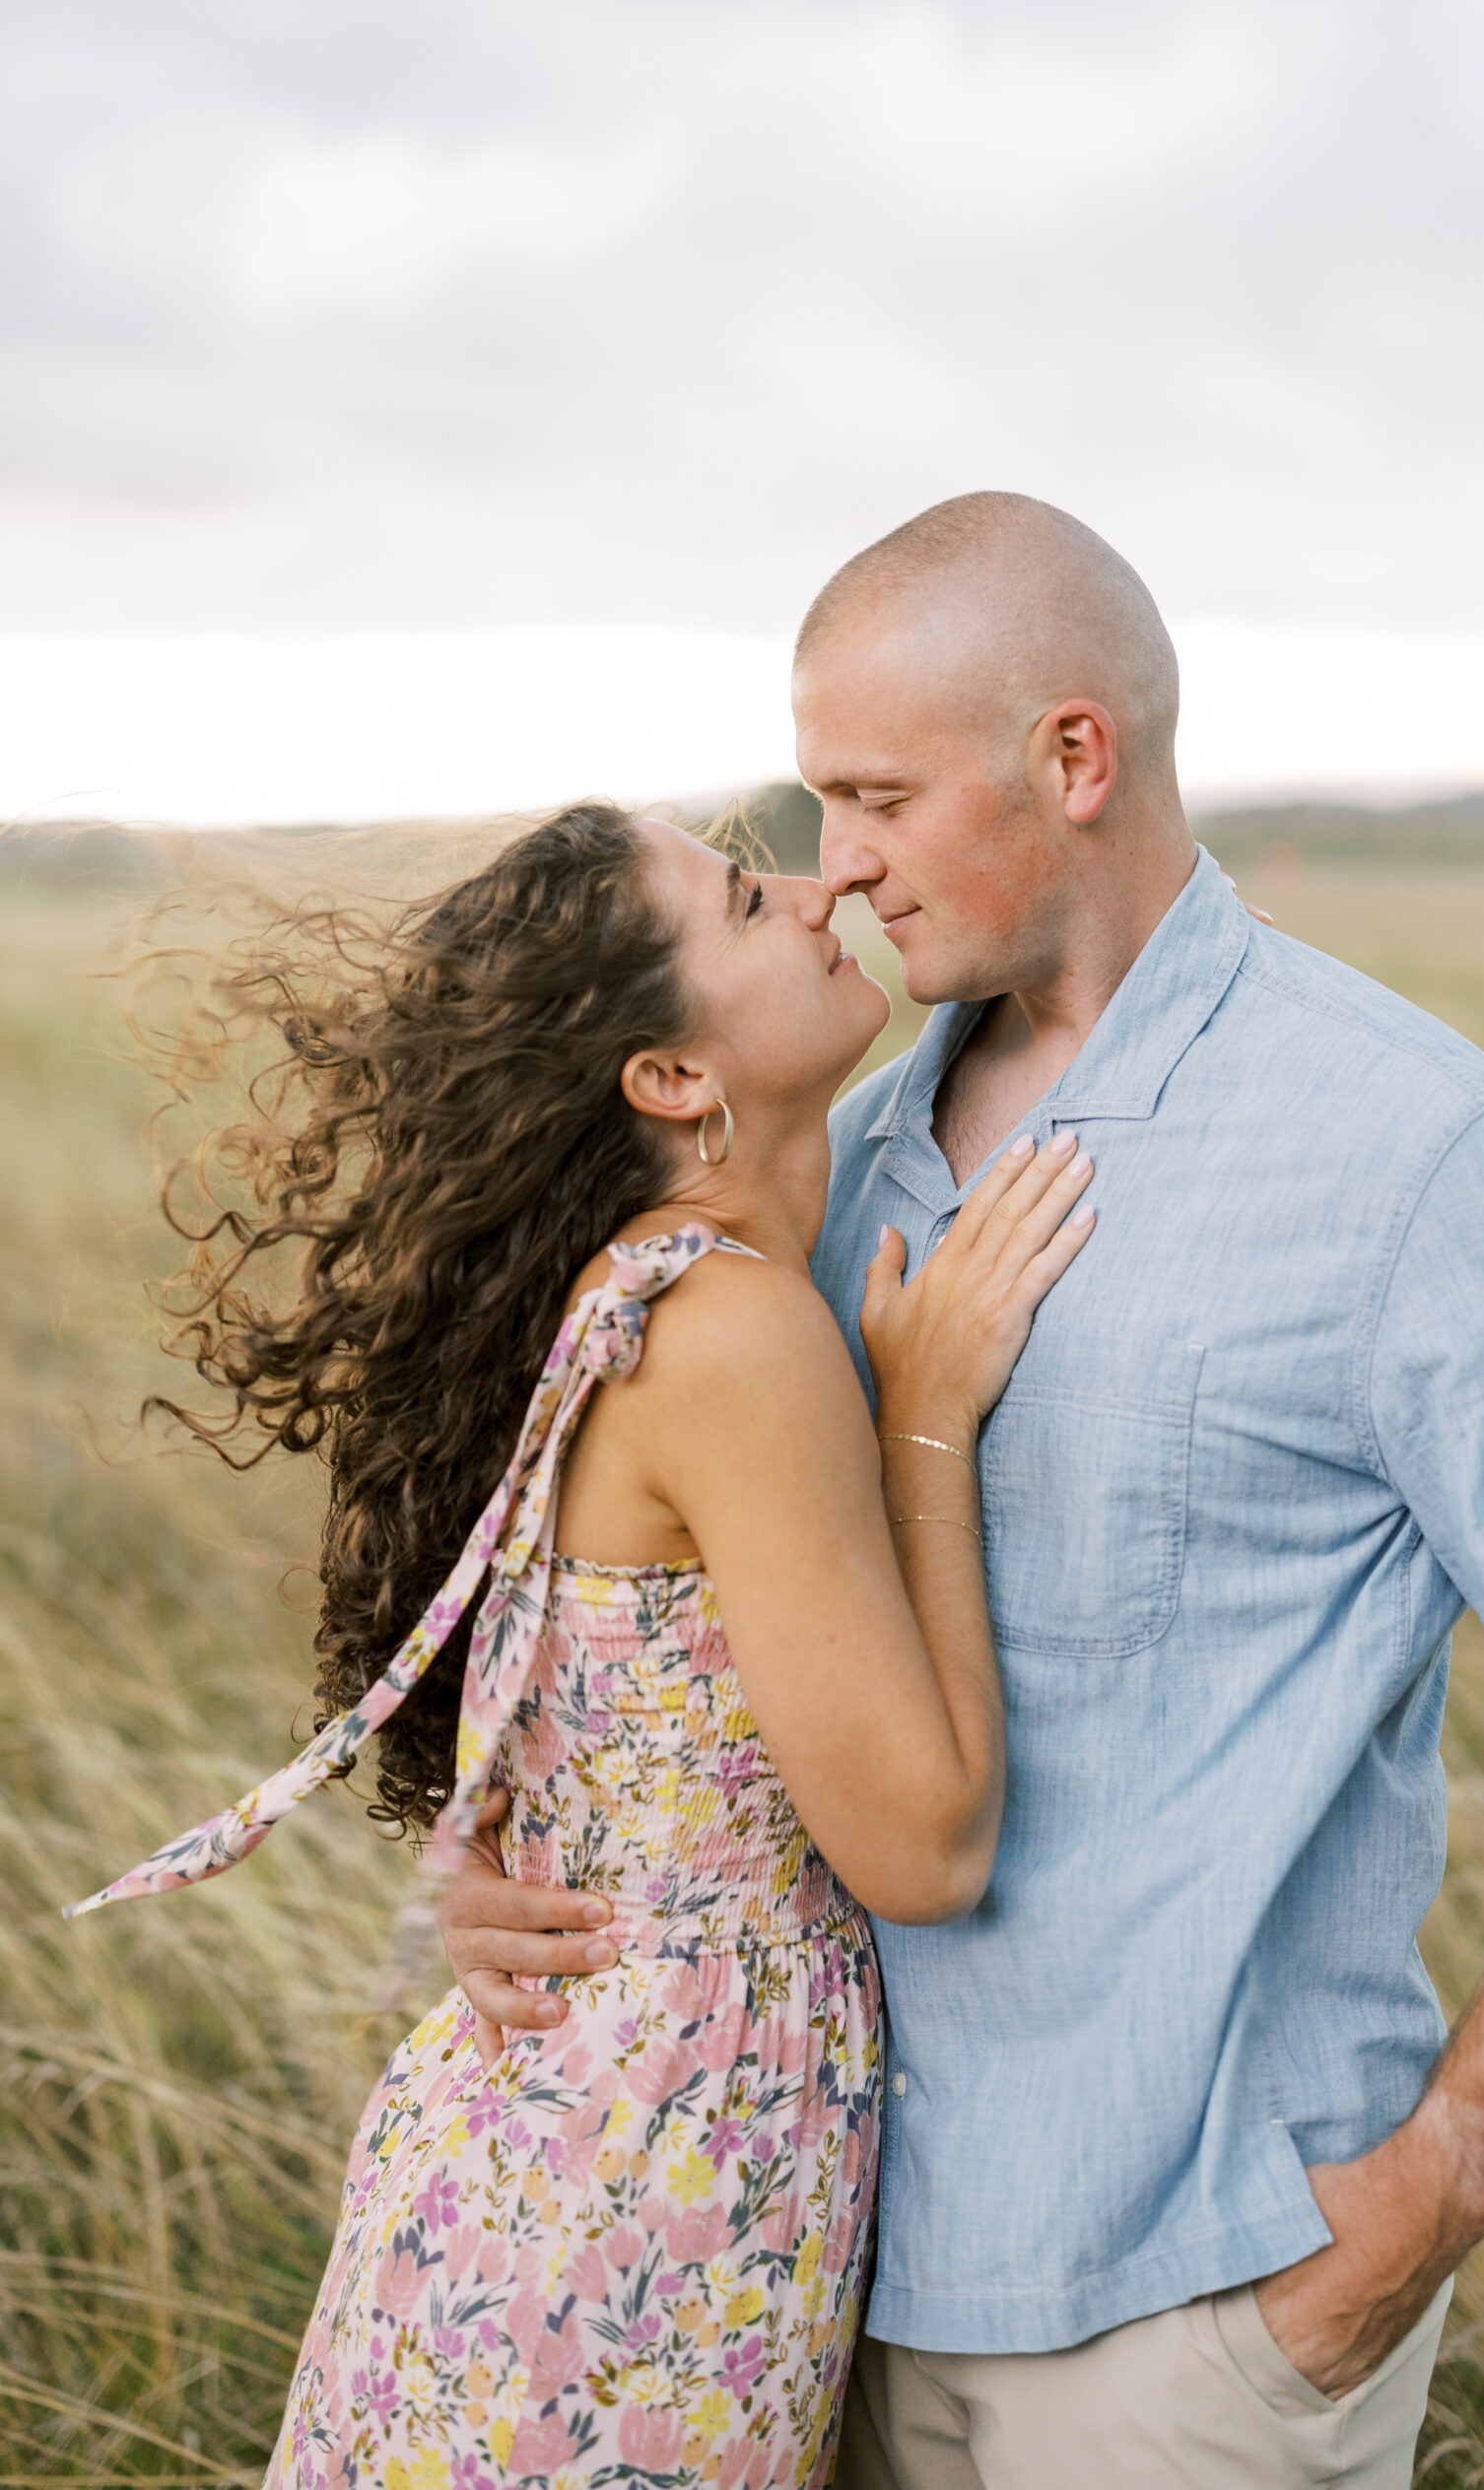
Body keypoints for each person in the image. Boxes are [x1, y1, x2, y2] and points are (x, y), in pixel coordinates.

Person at [444, 495, 1484, 2490]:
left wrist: (1447, 2169)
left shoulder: (1425, 1162)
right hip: (803, 2274)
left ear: (1071, 758)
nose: (830, 866)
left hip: (1193, 2307)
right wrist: (504, 1866)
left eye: (870, 796)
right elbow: (724, 1655)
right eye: (809, 805)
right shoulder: (828, 1159)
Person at [65, 797, 1098, 2485]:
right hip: (636, 2198)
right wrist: (927, 1419)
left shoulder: (629, 1294)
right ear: (674, 1078)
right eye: (753, 899)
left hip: (561, 2160)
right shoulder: (731, 1331)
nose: (826, 878)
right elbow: (921, 1844)